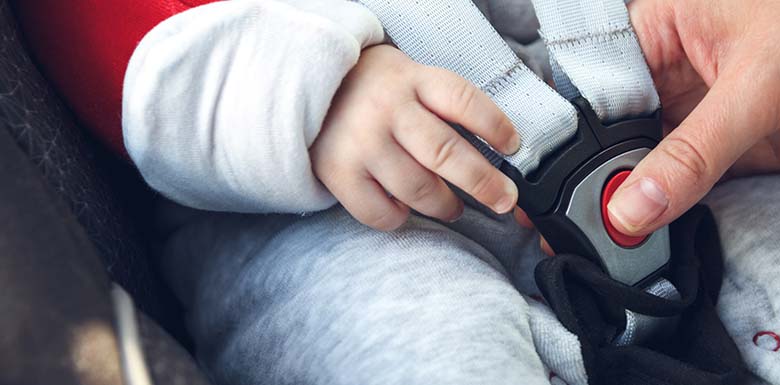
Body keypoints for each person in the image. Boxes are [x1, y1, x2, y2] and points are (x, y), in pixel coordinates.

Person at [12, 0, 780, 384]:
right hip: (317, 191)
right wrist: (319, 92)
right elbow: (125, 46)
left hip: (612, 95)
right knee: (427, 343)